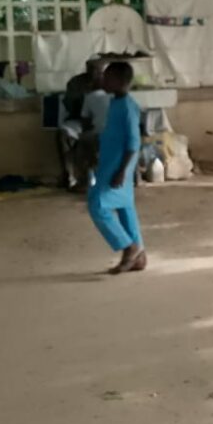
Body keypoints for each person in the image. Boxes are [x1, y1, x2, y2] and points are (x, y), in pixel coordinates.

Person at [87, 61, 146, 275]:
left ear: (120, 81)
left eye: (107, 77)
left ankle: (128, 247)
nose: (103, 80)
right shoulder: (115, 102)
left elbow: (133, 142)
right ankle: (139, 257)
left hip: (118, 166)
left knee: (97, 204)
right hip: (110, 162)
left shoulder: (128, 107)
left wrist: (122, 170)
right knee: (124, 207)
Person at [58, 57, 106, 190]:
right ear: (86, 69)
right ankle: (69, 176)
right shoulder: (76, 83)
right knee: (64, 135)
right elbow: (70, 106)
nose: (96, 75)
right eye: (93, 71)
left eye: (99, 72)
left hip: (99, 123)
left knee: (88, 141)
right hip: (79, 120)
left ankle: (87, 178)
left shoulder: (108, 83)